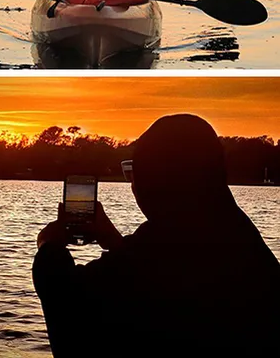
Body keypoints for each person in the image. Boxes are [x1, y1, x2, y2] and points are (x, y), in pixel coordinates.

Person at [33, 114, 280, 356]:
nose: (133, 186)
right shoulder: (239, 236)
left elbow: (70, 301)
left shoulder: (159, 248)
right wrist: (116, 243)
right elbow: (150, 271)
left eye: (134, 174)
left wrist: (48, 247)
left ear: (153, 181)